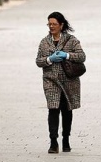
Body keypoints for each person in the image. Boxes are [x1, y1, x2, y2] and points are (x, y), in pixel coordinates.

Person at [35, 12, 86, 154]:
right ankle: (53, 141)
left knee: (66, 110)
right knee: (53, 109)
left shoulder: (72, 40)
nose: (51, 27)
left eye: (54, 24)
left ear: (61, 25)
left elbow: (82, 56)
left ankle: (66, 139)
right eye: (49, 24)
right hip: (51, 81)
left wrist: (67, 55)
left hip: (69, 81)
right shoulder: (44, 42)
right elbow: (38, 61)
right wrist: (49, 59)